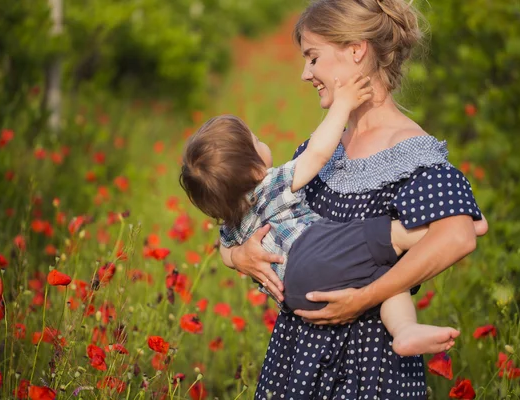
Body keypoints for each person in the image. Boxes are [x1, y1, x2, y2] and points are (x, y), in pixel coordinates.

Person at [218, 0, 489, 398]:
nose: (304, 74)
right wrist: (239, 256)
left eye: (313, 58)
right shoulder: (321, 149)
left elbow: (459, 236)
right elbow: (256, 214)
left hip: (371, 364)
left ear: (356, 50)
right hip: (298, 359)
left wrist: (363, 299)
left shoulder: (412, 153)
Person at [179, 73, 486, 357]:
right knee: (377, 234)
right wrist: (343, 104)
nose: (262, 141)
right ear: (256, 169)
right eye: (256, 141)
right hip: (312, 254)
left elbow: (226, 252)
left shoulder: (232, 220)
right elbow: (317, 153)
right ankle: (441, 228)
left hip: (297, 296)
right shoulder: (271, 185)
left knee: (389, 278)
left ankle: (405, 331)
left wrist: (236, 258)